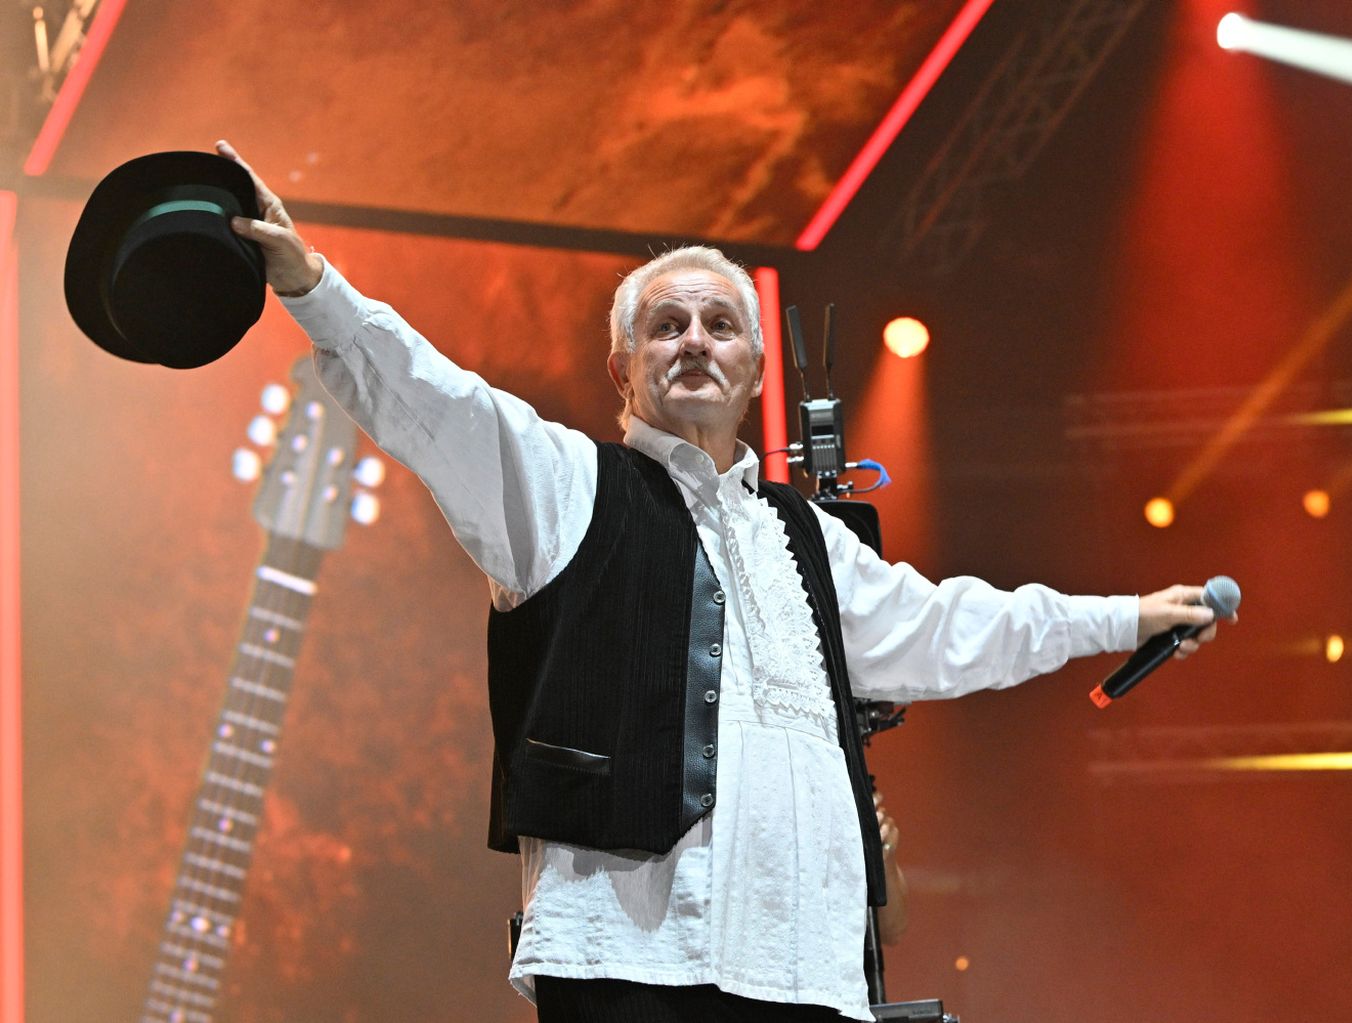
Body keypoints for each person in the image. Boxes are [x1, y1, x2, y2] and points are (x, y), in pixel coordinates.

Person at [216, 140, 1227, 1023]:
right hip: (630, 963)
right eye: (666, 325)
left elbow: (955, 626)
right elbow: (436, 402)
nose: (694, 339)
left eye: (719, 324)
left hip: (807, 970)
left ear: (754, 372)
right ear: (623, 370)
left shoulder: (808, 539)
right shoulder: (567, 486)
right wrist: (314, 284)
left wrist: (1126, 615)